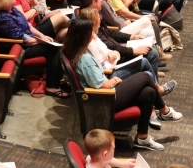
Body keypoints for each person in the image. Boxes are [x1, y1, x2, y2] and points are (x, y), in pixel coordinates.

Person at [63, 17, 182, 151]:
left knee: (148, 93)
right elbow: (102, 86)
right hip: (103, 101)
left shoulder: (82, 52)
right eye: (91, 31)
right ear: (84, 35)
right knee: (144, 76)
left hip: (106, 94)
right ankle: (164, 111)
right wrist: (114, 80)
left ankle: (142, 138)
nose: (94, 33)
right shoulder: (84, 59)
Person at [0, 0, 68, 98]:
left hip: (28, 40)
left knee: (54, 43)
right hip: (19, 48)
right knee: (53, 48)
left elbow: (27, 26)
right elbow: (21, 38)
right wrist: (41, 41)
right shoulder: (3, 18)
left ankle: (57, 78)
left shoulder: (12, 10)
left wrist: (42, 36)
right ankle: (52, 86)